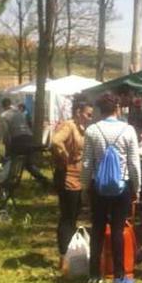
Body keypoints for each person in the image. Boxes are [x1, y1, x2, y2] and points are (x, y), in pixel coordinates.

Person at [81, 93, 141, 283]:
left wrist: (84, 187)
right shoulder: (128, 130)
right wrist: (137, 187)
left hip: (98, 187)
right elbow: (134, 163)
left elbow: (87, 162)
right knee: (117, 230)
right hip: (121, 186)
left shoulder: (92, 130)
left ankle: (94, 275)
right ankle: (119, 276)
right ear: (117, 108)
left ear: (99, 109)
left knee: (97, 229)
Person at [50, 96, 94, 269]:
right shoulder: (69, 126)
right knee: (68, 218)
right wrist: (65, 156)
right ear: (78, 112)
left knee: (74, 216)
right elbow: (55, 141)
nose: (90, 118)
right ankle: (64, 256)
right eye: (88, 114)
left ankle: (68, 255)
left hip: (78, 178)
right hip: (68, 178)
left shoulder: (80, 128)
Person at [0, 98, 49, 186]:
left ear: (3, 106)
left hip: (18, 139)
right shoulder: (18, 112)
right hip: (29, 137)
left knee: (10, 160)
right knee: (28, 164)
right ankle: (43, 179)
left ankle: (8, 181)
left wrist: (7, 148)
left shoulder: (3, 115)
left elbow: (6, 133)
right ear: (10, 104)